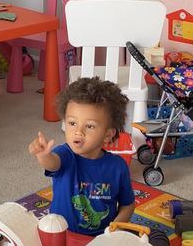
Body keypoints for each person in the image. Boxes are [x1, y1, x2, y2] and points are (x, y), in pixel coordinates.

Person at [29, 77, 135, 236]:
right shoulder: (65, 154)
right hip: (62, 235)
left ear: (107, 135)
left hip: (102, 238)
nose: (78, 132)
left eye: (90, 126)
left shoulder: (118, 166)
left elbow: (128, 205)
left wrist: (116, 228)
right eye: (72, 123)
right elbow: (52, 164)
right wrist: (43, 155)